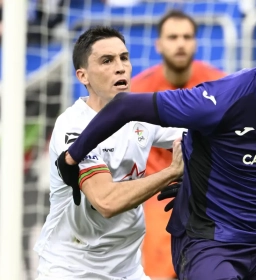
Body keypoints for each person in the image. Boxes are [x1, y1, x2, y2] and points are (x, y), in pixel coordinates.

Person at [56, 21, 256, 280]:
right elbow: (124, 105)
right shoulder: (220, 101)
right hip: (210, 244)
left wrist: (195, 177)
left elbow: (224, 150)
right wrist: (71, 157)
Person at [33, 26, 185, 279]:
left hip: (127, 269)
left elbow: (196, 136)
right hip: (71, 268)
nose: (120, 67)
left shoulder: (141, 117)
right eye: (107, 60)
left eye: (124, 57)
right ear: (83, 76)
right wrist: (172, 172)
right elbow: (106, 202)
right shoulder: (73, 127)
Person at [130, 9, 225, 278]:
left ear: (195, 43)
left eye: (186, 36)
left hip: (211, 192)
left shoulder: (220, 86)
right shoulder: (137, 92)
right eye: (173, 37)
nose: (180, 43)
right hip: (158, 191)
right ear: (158, 44)